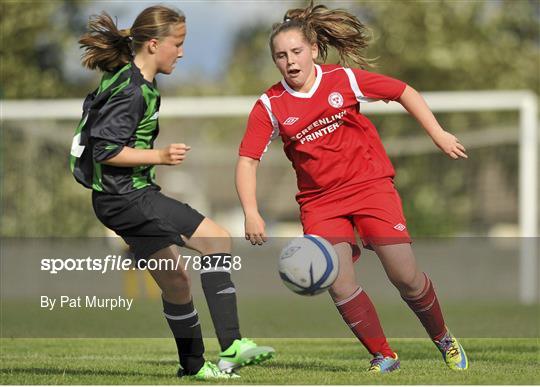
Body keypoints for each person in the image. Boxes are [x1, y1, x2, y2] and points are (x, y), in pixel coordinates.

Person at [236, 1, 468, 374]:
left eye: (296, 51)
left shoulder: (343, 80)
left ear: (313, 49)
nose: (290, 61)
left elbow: (402, 91)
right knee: (339, 285)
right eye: (281, 56)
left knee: (405, 276)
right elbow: (248, 160)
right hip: (320, 202)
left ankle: (443, 338)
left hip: (370, 186)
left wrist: (438, 134)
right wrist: (251, 211)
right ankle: (383, 355)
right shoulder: (269, 105)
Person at [74, 5, 273, 380]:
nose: (181, 52)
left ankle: (195, 367)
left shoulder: (129, 81)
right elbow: (105, 150)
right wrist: (160, 156)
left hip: (117, 201)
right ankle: (233, 345)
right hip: (128, 197)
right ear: (153, 44)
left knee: (176, 281)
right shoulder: (131, 89)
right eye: (177, 44)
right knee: (217, 240)